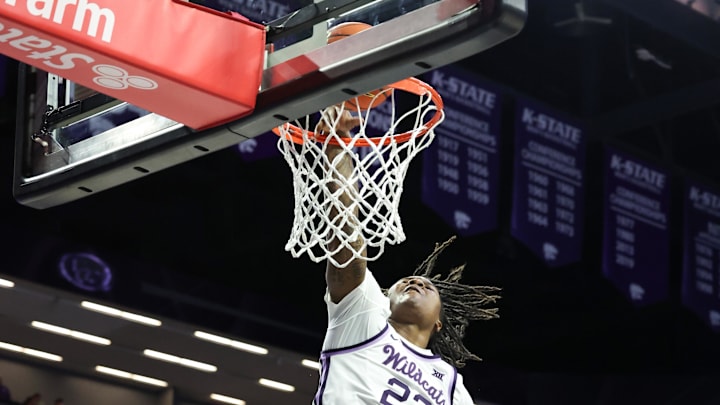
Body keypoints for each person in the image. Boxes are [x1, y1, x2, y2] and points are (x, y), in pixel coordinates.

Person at [312, 107, 500, 404]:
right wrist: (337, 147)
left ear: (438, 321)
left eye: (429, 287)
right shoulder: (364, 317)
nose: (417, 282)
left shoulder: (451, 385)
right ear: (384, 298)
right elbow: (348, 251)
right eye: (406, 282)